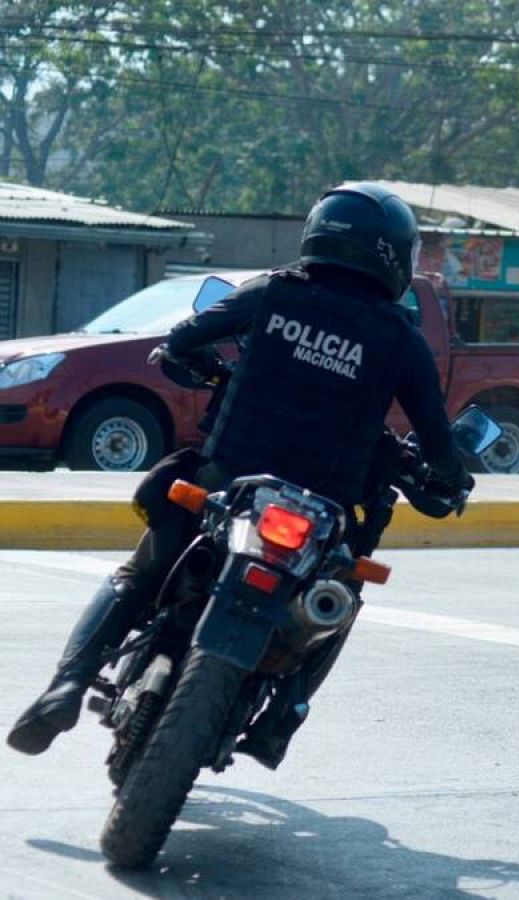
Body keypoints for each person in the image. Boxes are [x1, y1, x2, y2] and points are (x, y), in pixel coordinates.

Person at [8, 183, 472, 762]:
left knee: (142, 570)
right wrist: (450, 477)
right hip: (323, 509)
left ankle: (68, 685)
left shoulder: (275, 291)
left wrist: (196, 366)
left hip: (229, 481)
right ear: (391, 255)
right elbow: (437, 437)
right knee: (339, 599)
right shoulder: (400, 338)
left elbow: (181, 342)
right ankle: (282, 716)